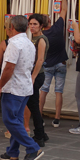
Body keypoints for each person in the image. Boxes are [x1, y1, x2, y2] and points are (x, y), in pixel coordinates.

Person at [0, 15, 43, 160]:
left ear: (12, 28)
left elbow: (9, 67)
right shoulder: (29, 43)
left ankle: (32, 147)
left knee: (10, 120)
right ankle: (12, 152)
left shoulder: (14, 44)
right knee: (17, 120)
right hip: (25, 86)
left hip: (14, 87)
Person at [40, 0, 69, 128]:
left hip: (47, 65)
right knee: (59, 91)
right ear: (50, 20)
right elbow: (64, 10)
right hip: (61, 63)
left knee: (44, 90)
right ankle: (57, 118)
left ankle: (39, 115)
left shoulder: (41, 36)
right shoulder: (58, 27)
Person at [24, 13, 49, 147]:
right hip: (31, 75)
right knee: (32, 104)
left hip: (37, 75)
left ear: (41, 26)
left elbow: (40, 60)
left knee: (33, 105)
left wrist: (33, 76)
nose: (32, 27)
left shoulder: (41, 40)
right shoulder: (31, 38)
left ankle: (39, 135)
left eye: (35, 24)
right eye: (30, 24)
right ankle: (41, 133)